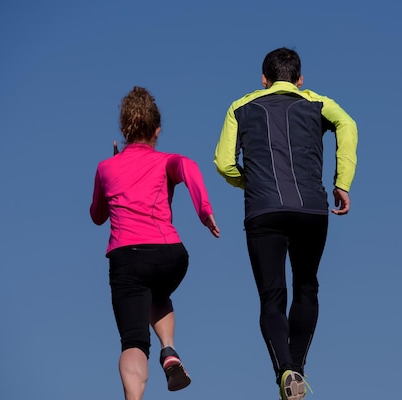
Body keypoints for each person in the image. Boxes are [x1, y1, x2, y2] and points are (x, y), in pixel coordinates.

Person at [214, 47, 358, 400]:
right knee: (307, 286)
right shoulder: (318, 103)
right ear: (300, 79)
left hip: (263, 210)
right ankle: (300, 368)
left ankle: (285, 371)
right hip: (311, 208)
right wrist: (343, 181)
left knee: (272, 297)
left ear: (263, 80)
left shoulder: (240, 106)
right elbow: (348, 124)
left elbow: (223, 163)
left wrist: (249, 181)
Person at [90, 86, 220, 400]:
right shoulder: (167, 161)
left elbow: (97, 216)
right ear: (157, 130)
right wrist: (205, 212)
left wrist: (112, 179)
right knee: (156, 292)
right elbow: (188, 166)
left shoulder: (106, 168)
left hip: (128, 258)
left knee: (133, 342)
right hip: (170, 256)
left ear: (124, 129)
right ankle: (170, 351)